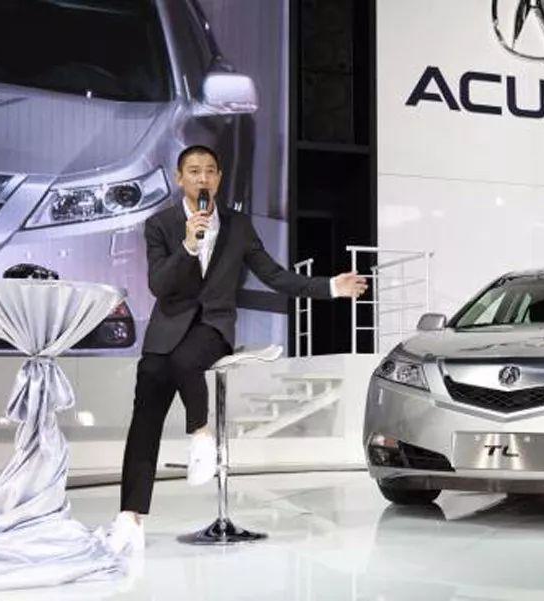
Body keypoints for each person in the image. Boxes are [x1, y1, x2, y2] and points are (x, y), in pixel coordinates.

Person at [106, 145, 367, 553]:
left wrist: (331, 287)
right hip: (166, 329)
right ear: (179, 178)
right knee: (145, 417)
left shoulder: (239, 226)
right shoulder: (160, 224)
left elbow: (274, 276)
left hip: (213, 326)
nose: (202, 177)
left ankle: (201, 433)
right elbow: (159, 285)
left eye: (210, 170)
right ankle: (130, 517)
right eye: (194, 171)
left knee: (186, 360)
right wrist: (188, 245)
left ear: (219, 178)